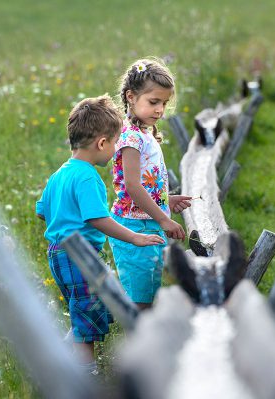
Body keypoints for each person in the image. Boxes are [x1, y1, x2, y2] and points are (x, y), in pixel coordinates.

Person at [35, 94, 164, 375]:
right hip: (79, 256)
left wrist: (64, 217)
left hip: (58, 254)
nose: (117, 148)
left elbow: (42, 211)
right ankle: (84, 372)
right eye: (115, 142)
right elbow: (97, 219)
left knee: (86, 307)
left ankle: (65, 353)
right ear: (102, 143)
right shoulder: (87, 176)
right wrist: (135, 237)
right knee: (85, 311)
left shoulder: (60, 174)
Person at [109, 58, 192, 310]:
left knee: (149, 287)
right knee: (141, 297)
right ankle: (140, 343)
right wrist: (165, 219)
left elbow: (146, 183)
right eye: (153, 102)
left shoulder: (144, 132)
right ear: (131, 97)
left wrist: (166, 199)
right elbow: (133, 187)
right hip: (135, 225)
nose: (160, 110)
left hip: (148, 219)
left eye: (164, 103)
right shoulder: (130, 137)